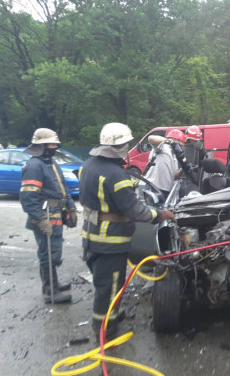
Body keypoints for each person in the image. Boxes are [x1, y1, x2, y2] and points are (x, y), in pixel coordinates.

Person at [79, 122, 175, 337]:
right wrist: (160, 215)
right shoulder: (116, 176)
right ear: (122, 146)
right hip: (110, 242)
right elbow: (137, 212)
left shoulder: (88, 166)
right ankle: (104, 330)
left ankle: (108, 318)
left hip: (90, 236)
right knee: (110, 288)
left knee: (103, 284)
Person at [20, 128, 77, 304]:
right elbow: (28, 198)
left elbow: (63, 188)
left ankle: (54, 284)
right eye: (51, 144)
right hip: (44, 217)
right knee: (47, 254)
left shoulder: (51, 162)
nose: (54, 146)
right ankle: (50, 291)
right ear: (41, 145)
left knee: (54, 251)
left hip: (56, 215)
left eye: (55, 144)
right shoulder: (34, 166)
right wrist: (39, 220)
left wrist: (71, 207)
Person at [144, 129, 185, 201]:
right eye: (180, 144)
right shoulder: (163, 147)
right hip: (154, 188)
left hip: (166, 191)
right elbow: (150, 138)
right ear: (175, 140)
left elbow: (174, 175)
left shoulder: (174, 156)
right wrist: (169, 141)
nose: (181, 147)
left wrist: (182, 169)